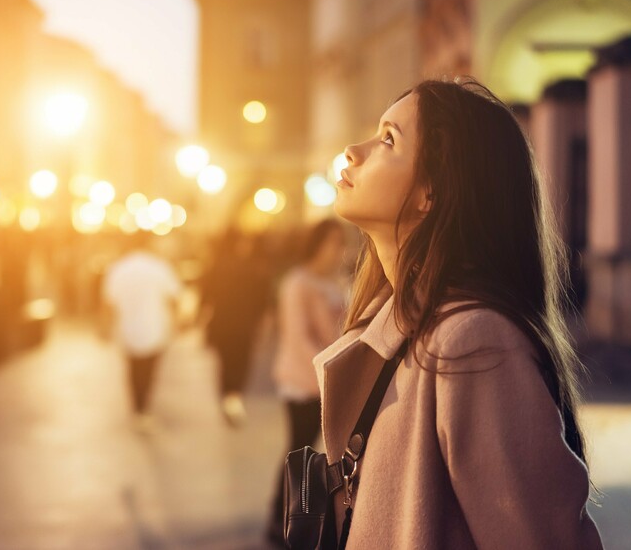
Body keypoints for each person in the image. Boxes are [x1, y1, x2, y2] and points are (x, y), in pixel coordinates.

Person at [315, 78, 603, 548]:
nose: (352, 150)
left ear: (433, 191)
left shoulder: (474, 340)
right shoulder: (397, 324)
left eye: (388, 139)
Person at [266, 218, 348, 544]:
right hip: (302, 380)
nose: (339, 251)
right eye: (334, 243)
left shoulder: (336, 281)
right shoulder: (297, 282)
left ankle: (293, 519)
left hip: (328, 380)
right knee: (299, 451)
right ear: (317, 244)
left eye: (342, 243)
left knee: (310, 453)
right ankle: (280, 520)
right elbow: (298, 337)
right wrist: (328, 376)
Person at [100, 232, 183, 430]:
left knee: (133, 367)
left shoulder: (118, 268)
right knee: (149, 368)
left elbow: (107, 303)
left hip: (127, 328)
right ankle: (143, 406)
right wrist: (179, 321)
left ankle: (137, 405)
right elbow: (175, 297)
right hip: (155, 326)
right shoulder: (159, 267)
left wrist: (103, 326)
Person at [199, 228, 273, 426]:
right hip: (243, 326)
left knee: (227, 363)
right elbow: (263, 298)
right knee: (240, 363)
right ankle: (233, 397)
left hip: (225, 325)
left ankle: (229, 398)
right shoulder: (254, 267)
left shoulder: (218, 265)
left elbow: (206, 294)